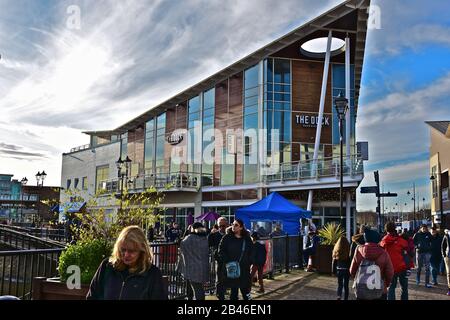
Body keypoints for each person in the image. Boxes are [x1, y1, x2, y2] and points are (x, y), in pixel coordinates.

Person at [86, 225, 167, 300]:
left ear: (142, 251)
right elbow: (92, 296)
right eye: (123, 250)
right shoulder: (107, 266)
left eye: (131, 251)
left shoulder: (152, 274)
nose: (126, 255)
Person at [350, 228, 394, 300]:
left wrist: (359, 279)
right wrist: (385, 284)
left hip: (362, 290)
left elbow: (352, 270)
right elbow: (390, 272)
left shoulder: (358, 250)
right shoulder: (383, 253)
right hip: (380, 290)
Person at [218, 218, 253, 300]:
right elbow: (221, 250)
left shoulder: (247, 239)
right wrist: (227, 261)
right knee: (233, 292)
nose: (233, 226)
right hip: (232, 269)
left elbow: (252, 252)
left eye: (236, 225)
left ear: (241, 227)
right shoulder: (226, 237)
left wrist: (249, 262)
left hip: (244, 270)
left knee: (246, 293)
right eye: (233, 224)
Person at [177, 222, 209, 300]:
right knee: (199, 287)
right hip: (203, 267)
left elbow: (181, 243)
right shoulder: (204, 238)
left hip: (192, 268)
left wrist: (187, 232)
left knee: (197, 289)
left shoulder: (189, 238)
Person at [380, 222, 409, 300]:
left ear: (386, 229)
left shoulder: (384, 241)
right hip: (402, 267)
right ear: (395, 228)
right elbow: (408, 252)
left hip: (390, 268)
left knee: (391, 288)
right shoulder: (401, 240)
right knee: (404, 288)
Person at [208, 217, 228, 300]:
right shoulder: (214, 235)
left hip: (229, 260)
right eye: (220, 226)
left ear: (227, 225)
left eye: (223, 226)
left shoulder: (230, 235)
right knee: (219, 278)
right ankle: (220, 295)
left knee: (228, 278)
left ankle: (226, 291)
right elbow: (208, 244)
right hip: (219, 260)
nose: (222, 228)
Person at [332, 236, 351, 300]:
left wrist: (333, 271)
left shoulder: (336, 249)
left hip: (339, 269)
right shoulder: (348, 249)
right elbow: (350, 260)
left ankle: (339, 296)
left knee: (340, 284)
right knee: (346, 285)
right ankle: (346, 298)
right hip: (346, 270)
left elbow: (334, 261)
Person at [441, 229, 450, 296]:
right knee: (449, 273)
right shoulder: (446, 235)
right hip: (448, 257)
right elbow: (442, 246)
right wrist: (444, 255)